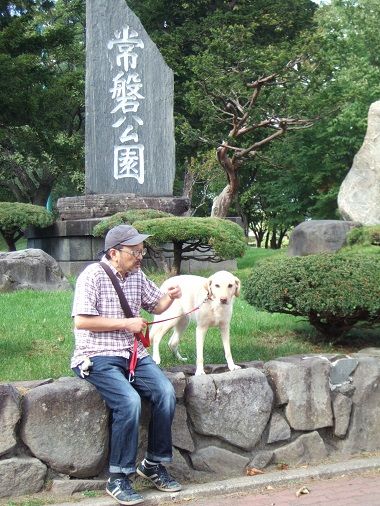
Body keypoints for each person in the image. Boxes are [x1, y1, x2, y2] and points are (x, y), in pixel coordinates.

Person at [71, 224, 182, 506]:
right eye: (134, 251)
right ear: (113, 252)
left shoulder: (137, 274)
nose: (140, 255)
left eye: (141, 250)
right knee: (129, 402)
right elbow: (82, 321)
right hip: (96, 354)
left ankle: (153, 464)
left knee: (166, 393)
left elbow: (155, 306)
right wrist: (126, 323)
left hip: (132, 353)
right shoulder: (92, 276)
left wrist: (170, 294)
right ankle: (118, 477)